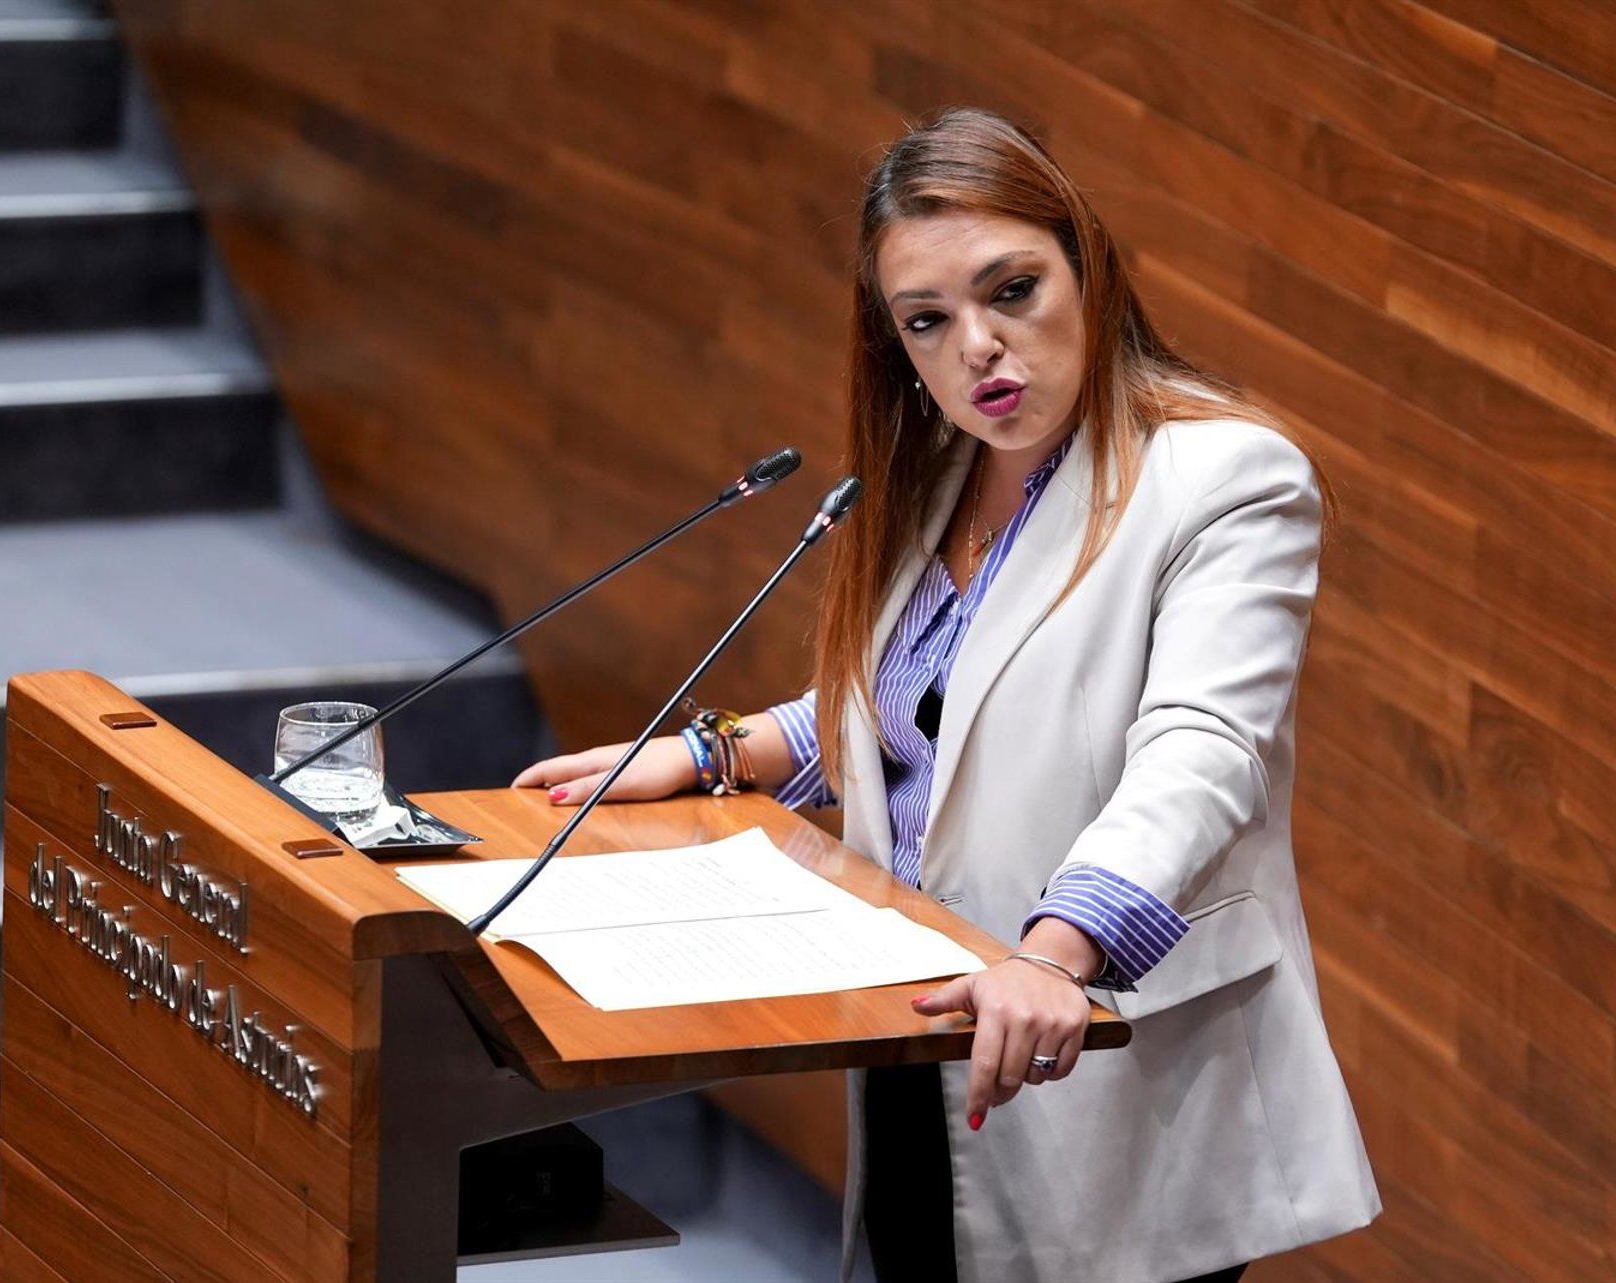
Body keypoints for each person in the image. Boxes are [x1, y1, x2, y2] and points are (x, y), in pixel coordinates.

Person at [514, 105, 1379, 1283]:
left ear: (1088, 269)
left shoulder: (1224, 479)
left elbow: (1201, 751)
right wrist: (717, 752)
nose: (978, 345)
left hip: (1108, 1060)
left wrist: (1057, 951)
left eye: (1011, 290)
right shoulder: (937, 479)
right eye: (928, 319)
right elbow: (927, 712)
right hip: (921, 1035)